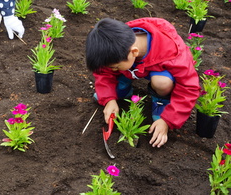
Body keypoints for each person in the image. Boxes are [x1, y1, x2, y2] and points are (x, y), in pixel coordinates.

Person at [85, 18, 200, 148]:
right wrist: (109, 99)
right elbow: (103, 72)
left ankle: (161, 100)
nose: (112, 69)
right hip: (134, 67)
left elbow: (188, 88)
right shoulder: (117, 45)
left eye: (115, 67)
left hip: (159, 70)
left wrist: (168, 120)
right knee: (116, 76)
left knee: (162, 83)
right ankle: (123, 89)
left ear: (134, 52)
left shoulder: (173, 53)